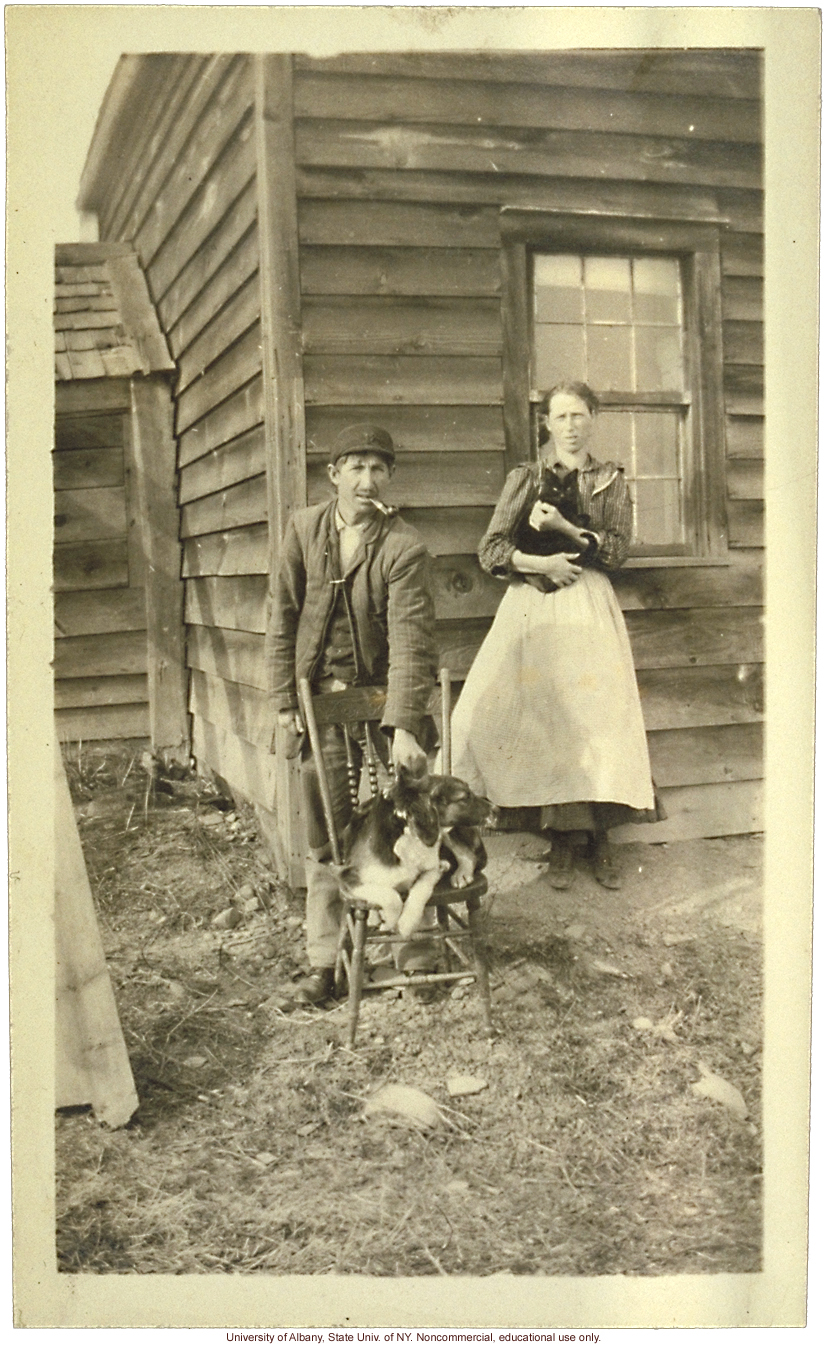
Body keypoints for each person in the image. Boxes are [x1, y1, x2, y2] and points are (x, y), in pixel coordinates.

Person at [449, 381, 660, 891]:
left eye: (579, 415)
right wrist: (540, 562)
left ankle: (602, 841)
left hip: (589, 602)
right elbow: (491, 549)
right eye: (560, 417)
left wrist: (566, 528)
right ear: (546, 423)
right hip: (536, 604)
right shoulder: (526, 477)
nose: (570, 426)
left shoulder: (608, 479)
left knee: (597, 717)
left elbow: (614, 551)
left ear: (593, 419)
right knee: (547, 715)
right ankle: (560, 841)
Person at [266, 423, 438, 1003]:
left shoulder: (404, 546)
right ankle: (326, 962)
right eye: (356, 468)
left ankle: (415, 954)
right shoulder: (303, 530)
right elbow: (282, 618)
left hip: (385, 703)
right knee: (327, 834)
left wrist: (406, 724)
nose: (367, 481)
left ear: (390, 477)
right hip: (319, 705)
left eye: (379, 469)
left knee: (407, 825)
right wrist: (284, 702)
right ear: (333, 474)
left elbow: (413, 641)